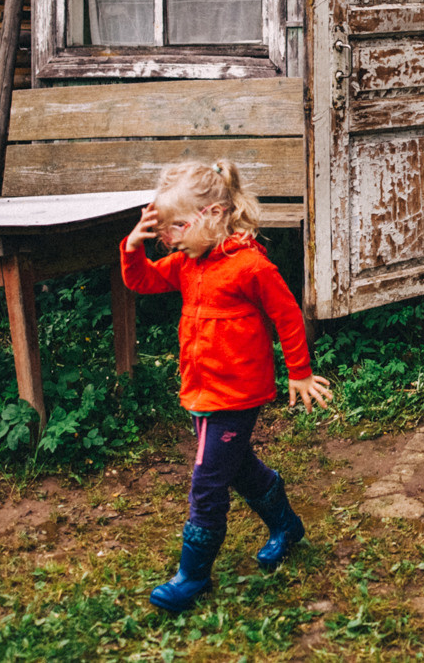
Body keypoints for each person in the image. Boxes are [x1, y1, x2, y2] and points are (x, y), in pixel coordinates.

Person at [120, 159, 333, 613]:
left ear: (215, 214)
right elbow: (141, 280)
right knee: (237, 468)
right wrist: (133, 247)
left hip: (236, 395)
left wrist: (299, 371)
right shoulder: (186, 263)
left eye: (177, 225)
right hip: (201, 389)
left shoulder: (249, 267)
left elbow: (287, 315)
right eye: (164, 228)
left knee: (207, 482)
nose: (168, 237)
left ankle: (192, 577)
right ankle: (286, 526)